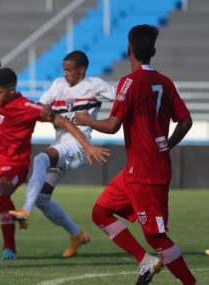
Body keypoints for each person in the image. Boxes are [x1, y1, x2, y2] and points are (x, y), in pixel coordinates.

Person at [0, 68, 109, 261]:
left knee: (1, 191)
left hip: (14, 164)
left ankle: (9, 248)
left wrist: (87, 146)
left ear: (12, 90)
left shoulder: (26, 107)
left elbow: (64, 122)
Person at [74, 25, 200, 285]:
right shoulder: (165, 82)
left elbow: (112, 126)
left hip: (147, 174)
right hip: (136, 169)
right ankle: (145, 261)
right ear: (153, 51)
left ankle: (192, 283)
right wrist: (166, 144)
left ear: (128, 50)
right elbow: (185, 121)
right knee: (101, 212)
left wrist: (86, 119)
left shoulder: (129, 82)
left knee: (156, 235)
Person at [9, 51, 116, 257]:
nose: (66, 74)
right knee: (42, 199)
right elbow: (42, 104)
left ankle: (24, 211)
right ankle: (77, 235)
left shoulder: (95, 85)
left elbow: (122, 98)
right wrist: (45, 108)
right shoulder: (58, 85)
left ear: (82, 69)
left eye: (69, 70)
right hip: (61, 146)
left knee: (41, 159)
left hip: (78, 147)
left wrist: (112, 121)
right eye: (64, 70)